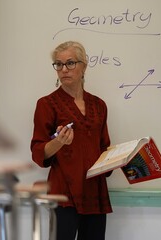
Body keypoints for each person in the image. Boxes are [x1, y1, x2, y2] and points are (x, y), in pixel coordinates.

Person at [30, 41, 112, 240]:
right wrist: (58, 142)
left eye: (70, 63)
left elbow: (104, 148)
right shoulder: (47, 104)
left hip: (94, 191)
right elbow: (38, 151)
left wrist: (123, 158)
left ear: (84, 65)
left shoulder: (99, 105)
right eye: (58, 64)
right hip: (63, 192)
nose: (64, 69)